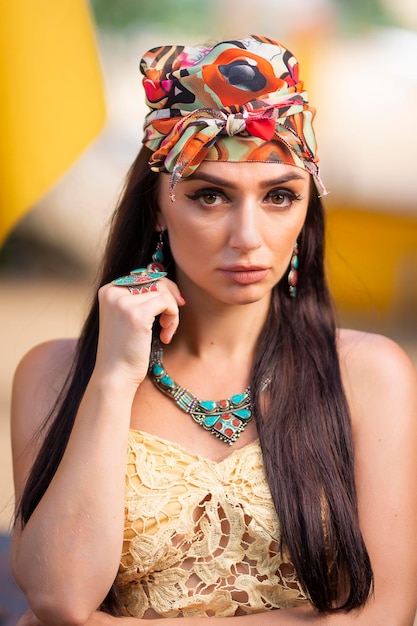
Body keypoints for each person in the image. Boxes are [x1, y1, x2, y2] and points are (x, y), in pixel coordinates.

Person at [10, 34, 417, 625]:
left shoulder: (370, 374)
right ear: (155, 206)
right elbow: (60, 600)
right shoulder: (57, 373)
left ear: (306, 212)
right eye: (209, 196)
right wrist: (113, 379)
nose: (248, 237)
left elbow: (385, 612)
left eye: (279, 196)